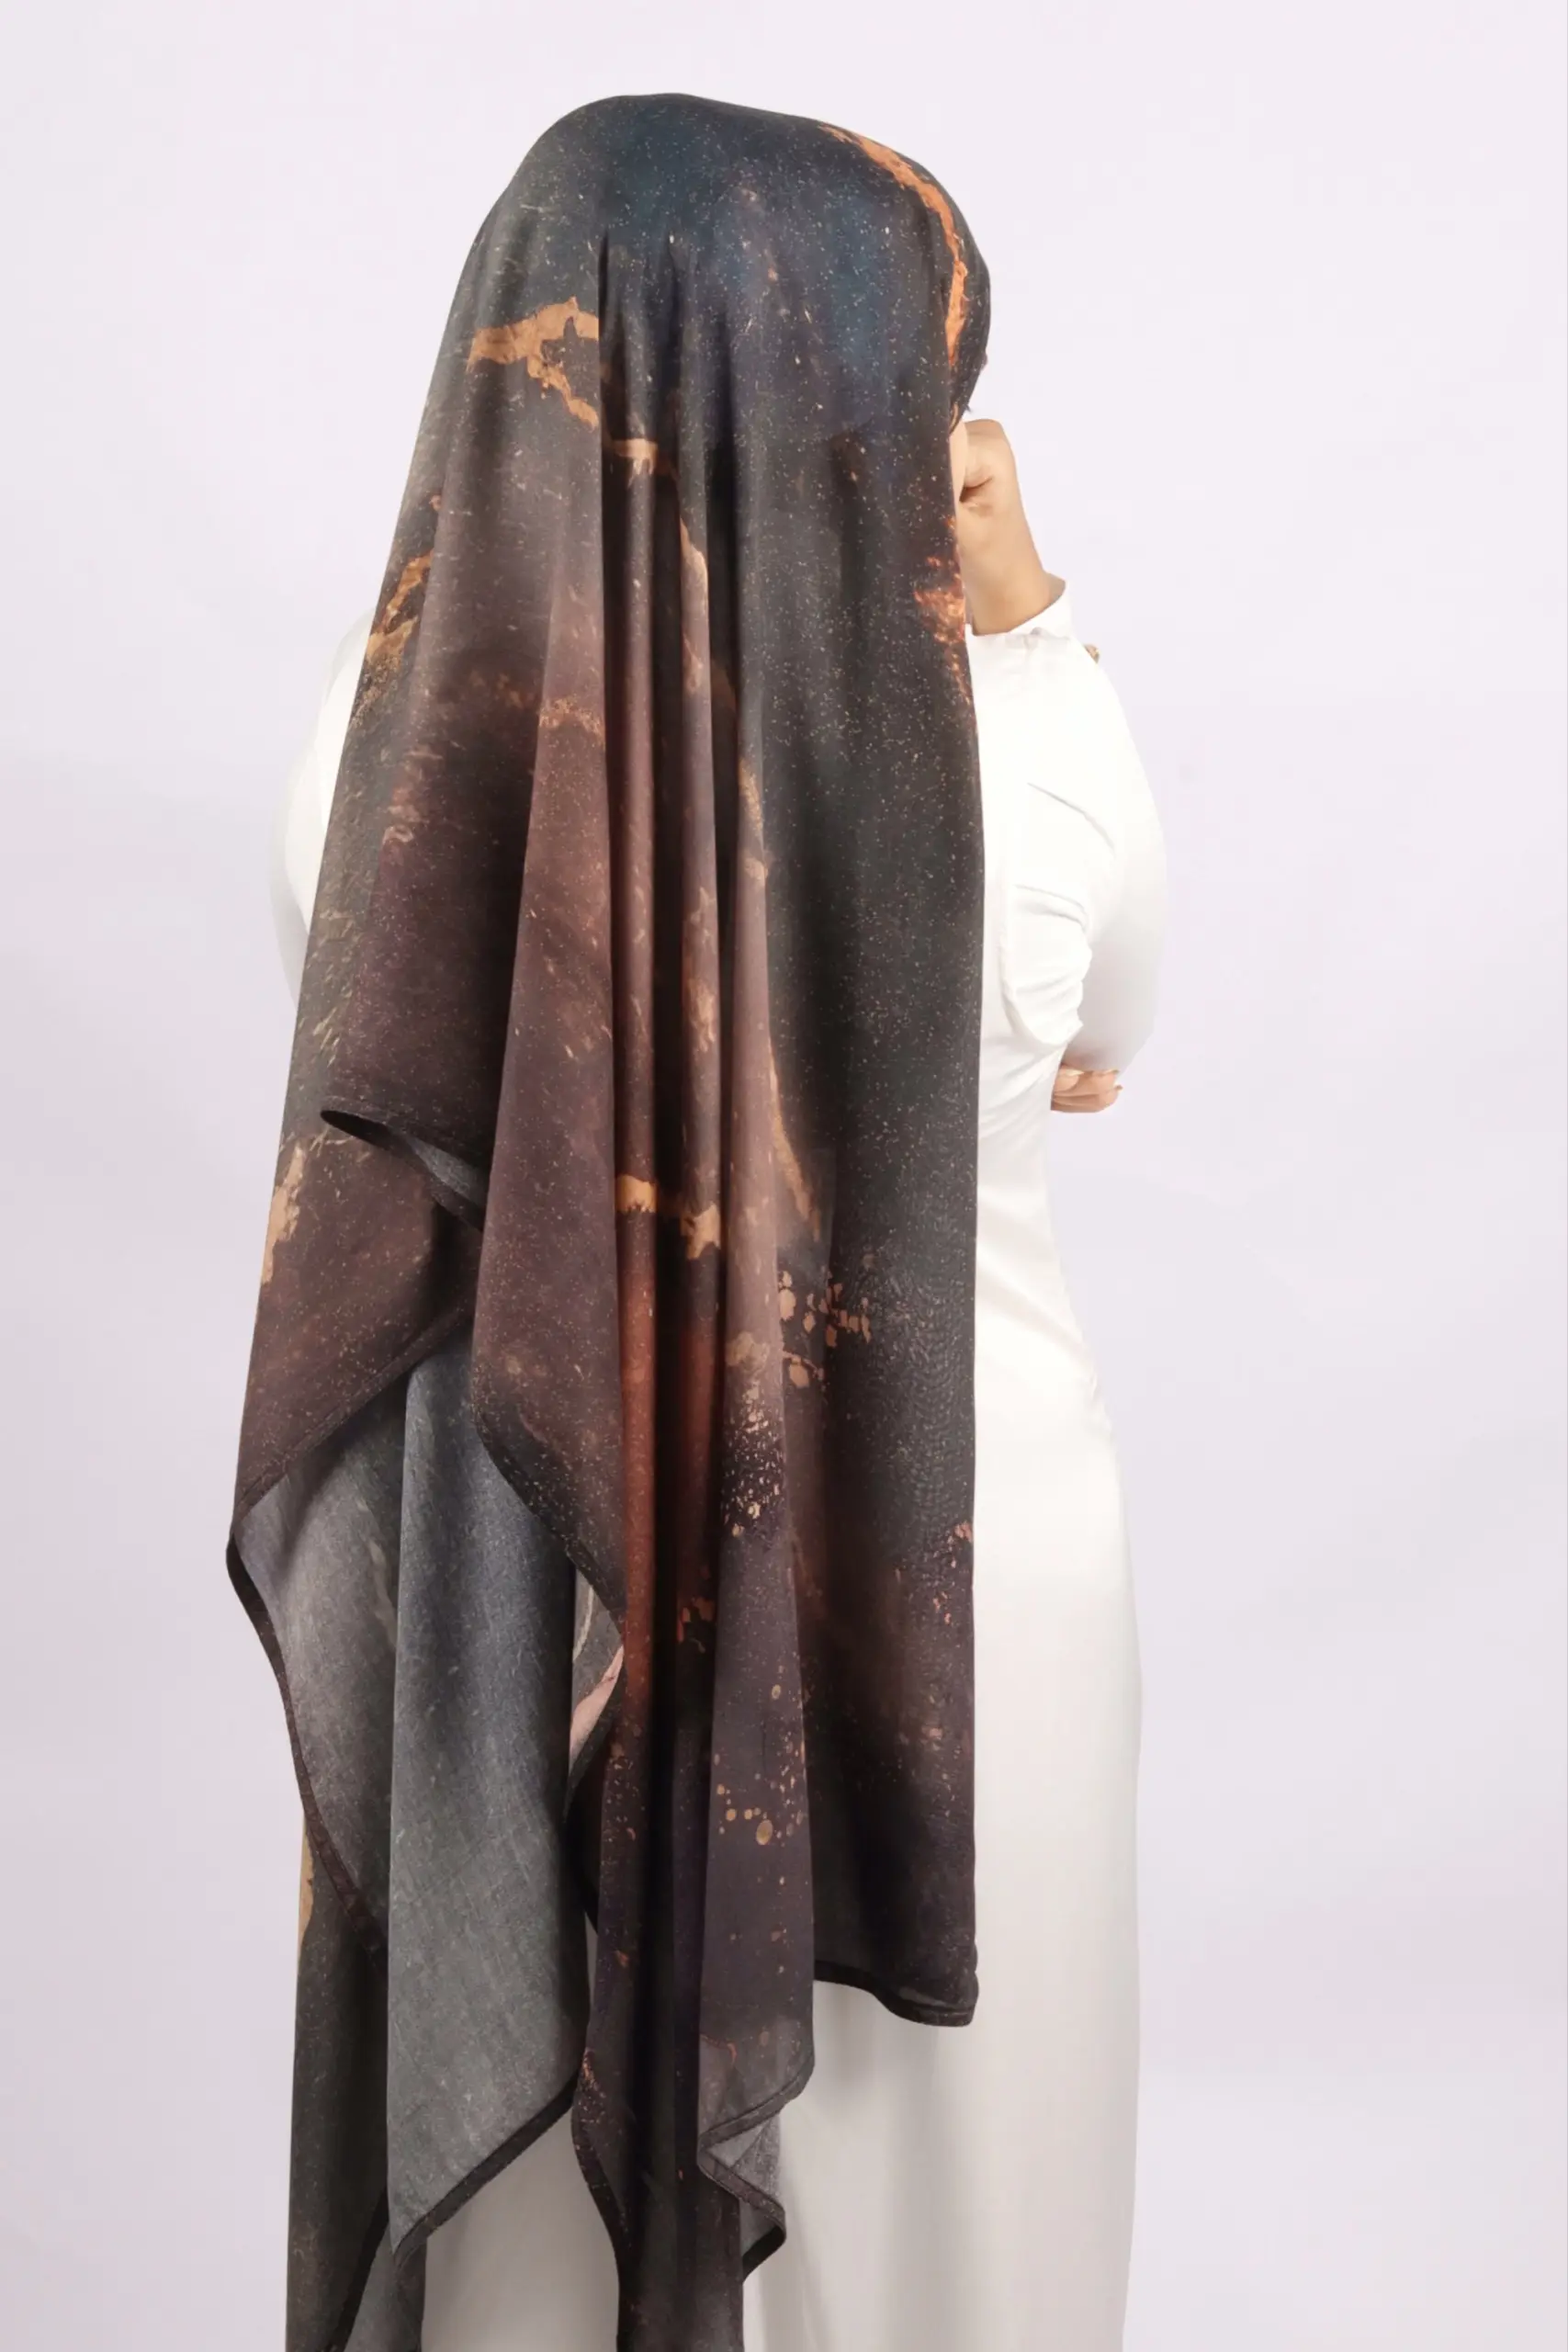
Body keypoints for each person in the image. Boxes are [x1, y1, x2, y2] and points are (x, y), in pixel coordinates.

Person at [251, 94, 1164, 2352]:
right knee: (964, 2251)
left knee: (548, 2275)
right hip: (941, 1601)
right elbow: (1116, 1008)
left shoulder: (380, 764)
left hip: (546, 1599)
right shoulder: (1024, 758)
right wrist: (1026, 617)